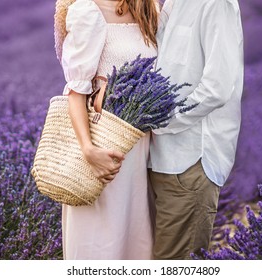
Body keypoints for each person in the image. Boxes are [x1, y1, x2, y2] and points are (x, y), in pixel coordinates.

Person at [55, 0, 158, 259]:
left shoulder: (149, 7)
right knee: (100, 244)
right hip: (103, 147)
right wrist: (88, 150)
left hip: (143, 150)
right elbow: (76, 91)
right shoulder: (87, 10)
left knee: (138, 243)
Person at [149, 0, 244, 259]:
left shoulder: (216, 3)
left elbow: (217, 88)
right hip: (158, 158)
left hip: (190, 161)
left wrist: (156, 120)